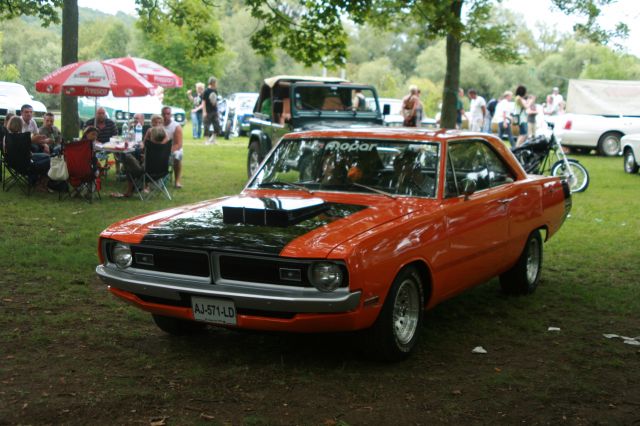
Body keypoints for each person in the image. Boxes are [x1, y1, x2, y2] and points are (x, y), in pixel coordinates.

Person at [162, 106, 184, 188]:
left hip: (174, 148)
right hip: (161, 148)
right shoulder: (159, 125)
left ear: (171, 115)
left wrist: (167, 152)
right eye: (164, 114)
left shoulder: (176, 126)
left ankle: (177, 181)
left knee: (177, 155)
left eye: (168, 114)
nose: (165, 116)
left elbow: (179, 144)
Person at [202, 76, 220, 145]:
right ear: (212, 82)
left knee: (217, 126)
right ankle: (206, 140)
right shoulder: (206, 91)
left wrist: (217, 111)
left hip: (214, 111)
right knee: (206, 126)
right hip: (208, 111)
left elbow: (216, 101)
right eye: (215, 82)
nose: (216, 84)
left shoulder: (215, 91)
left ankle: (213, 139)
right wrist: (204, 111)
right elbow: (203, 102)